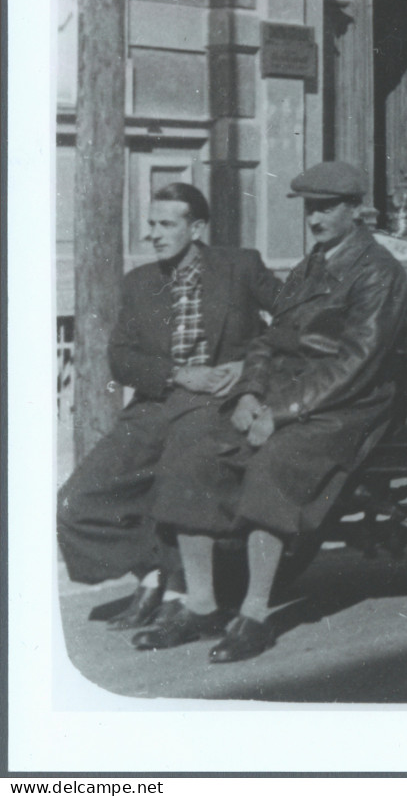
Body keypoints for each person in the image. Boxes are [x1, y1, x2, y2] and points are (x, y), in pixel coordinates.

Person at [137, 161, 407, 663]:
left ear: (356, 211)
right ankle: (200, 603)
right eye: (310, 208)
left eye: (326, 208)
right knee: (193, 445)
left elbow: (357, 363)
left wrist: (278, 413)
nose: (315, 218)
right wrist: (248, 393)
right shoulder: (311, 266)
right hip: (287, 390)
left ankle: (255, 615)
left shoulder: (378, 273)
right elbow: (269, 337)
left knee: (275, 462)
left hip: (349, 402)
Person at [57, 183, 281, 630]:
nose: (153, 234)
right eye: (151, 224)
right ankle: (154, 571)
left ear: (196, 228)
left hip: (217, 403)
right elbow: (121, 358)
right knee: (76, 502)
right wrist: (179, 374)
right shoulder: (140, 283)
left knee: (179, 481)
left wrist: (247, 365)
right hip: (157, 402)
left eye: (166, 224)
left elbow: (294, 321)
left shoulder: (240, 267)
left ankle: (183, 587)